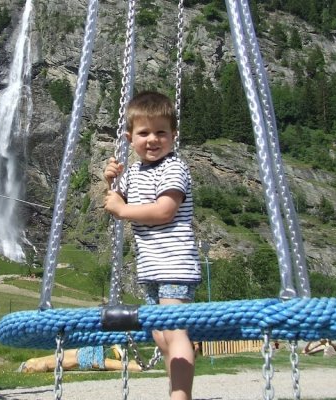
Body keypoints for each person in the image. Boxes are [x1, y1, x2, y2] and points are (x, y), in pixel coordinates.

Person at [103, 91, 201, 400]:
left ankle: (180, 396)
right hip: (150, 269)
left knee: (174, 330)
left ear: (173, 135)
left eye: (161, 132)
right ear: (130, 138)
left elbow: (163, 211)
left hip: (175, 265)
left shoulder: (174, 168)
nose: (153, 139)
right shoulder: (133, 172)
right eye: (144, 133)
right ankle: (176, 386)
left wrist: (122, 210)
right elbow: (115, 201)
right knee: (161, 335)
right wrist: (111, 181)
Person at [17, 345, 142, 373]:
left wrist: (29, 371)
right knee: (106, 363)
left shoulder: (34, 363)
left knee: (106, 364)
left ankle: (136, 366)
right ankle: (132, 363)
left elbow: (42, 367)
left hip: (80, 357)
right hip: (79, 353)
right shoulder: (35, 360)